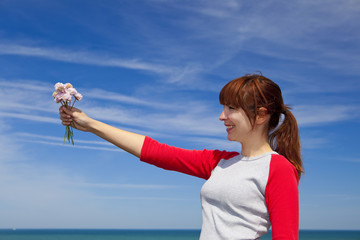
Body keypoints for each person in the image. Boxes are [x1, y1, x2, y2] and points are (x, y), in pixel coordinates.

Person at [59, 73, 304, 240]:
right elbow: (156, 152)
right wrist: (90, 124)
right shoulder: (220, 162)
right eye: (223, 107)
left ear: (261, 115)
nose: (222, 116)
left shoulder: (278, 168)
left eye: (231, 108)